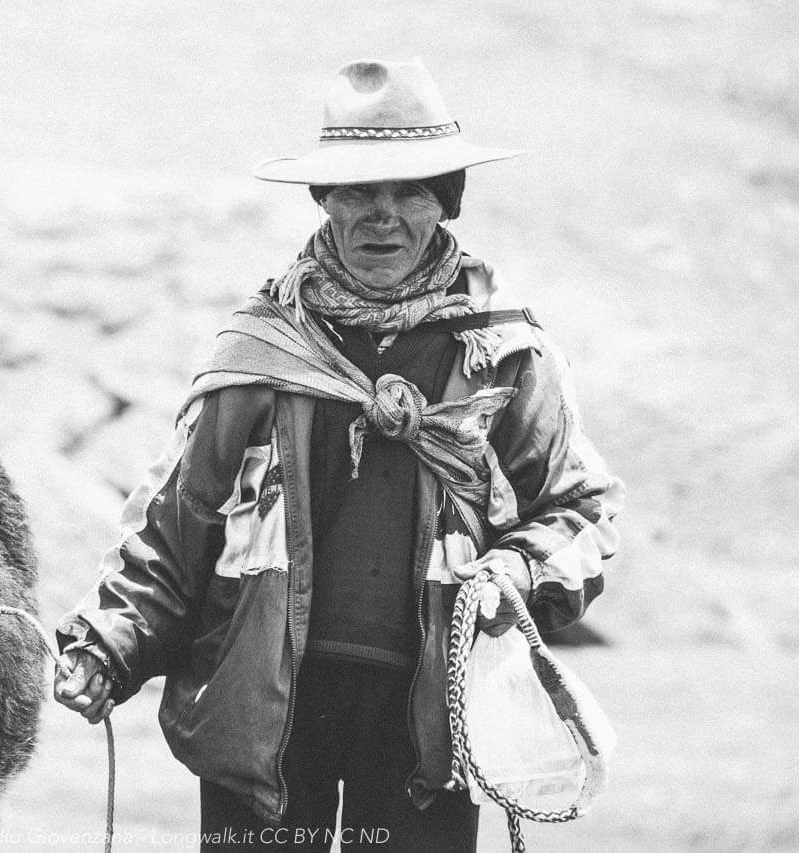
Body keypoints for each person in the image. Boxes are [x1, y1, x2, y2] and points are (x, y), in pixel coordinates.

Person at [53, 58, 625, 852]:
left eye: (409, 192)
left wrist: (516, 571)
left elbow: (581, 513)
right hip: (265, 725)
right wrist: (109, 645)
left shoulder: (503, 354)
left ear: (445, 203)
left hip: (428, 728)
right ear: (324, 200)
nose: (382, 216)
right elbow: (175, 529)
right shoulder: (261, 348)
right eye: (358, 191)